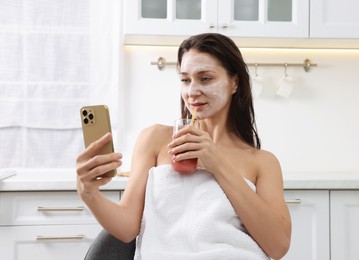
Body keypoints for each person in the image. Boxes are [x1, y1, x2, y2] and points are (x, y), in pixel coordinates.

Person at [76, 33, 291, 260]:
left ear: (234, 83)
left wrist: (217, 164)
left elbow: (277, 246)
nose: (192, 91)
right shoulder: (155, 139)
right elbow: (127, 228)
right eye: (185, 80)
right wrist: (89, 194)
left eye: (205, 78)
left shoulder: (262, 162)